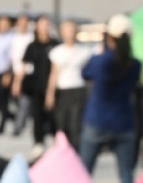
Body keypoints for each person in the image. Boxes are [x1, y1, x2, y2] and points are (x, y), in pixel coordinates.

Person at [79, 14, 142, 183]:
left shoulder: (101, 60)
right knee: (126, 175)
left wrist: (101, 50)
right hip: (124, 123)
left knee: (84, 172)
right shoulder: (135, 64)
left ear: (109, 37)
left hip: (97, 121)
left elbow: (85, 73)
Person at [14, 14, 60, 158]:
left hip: (55, 86)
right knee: (37, 116)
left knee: (54, 115)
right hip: (36, 86)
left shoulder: (55, 44)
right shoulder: (32, 45)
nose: (45, 27)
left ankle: (56, 139)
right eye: (42, 24)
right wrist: (17, 82)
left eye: (47, 24)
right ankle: (38, 142)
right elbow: (24, 64)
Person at [45, 19, 91, 150]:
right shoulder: (57, 52)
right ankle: (61, 150)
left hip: (78, 89)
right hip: (62, 90)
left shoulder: (85, 51)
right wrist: (50, 93)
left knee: (75, 123)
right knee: (61, 122)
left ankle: (75, 151)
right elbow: (54, 74)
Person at [9, 13, 34, 136]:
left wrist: (19, 78)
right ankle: (22, 121)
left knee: (24, 102)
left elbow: (27, 60)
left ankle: (18, 126)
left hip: (27, 74)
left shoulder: (31, 38)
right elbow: (12, 58)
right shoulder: (14, 38)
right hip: (15, 72)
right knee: (19, 102)